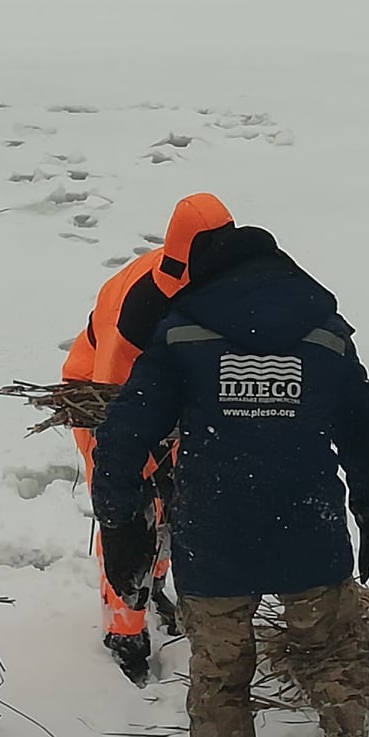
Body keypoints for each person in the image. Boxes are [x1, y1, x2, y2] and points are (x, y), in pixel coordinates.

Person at [91, 221, 369, 737]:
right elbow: (367, 439)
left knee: (219, 668)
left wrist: (118, 519)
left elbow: (122, 436)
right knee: (332, 648)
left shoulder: (181, 335)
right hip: (309, 527)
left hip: (215, 532)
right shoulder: (326, 336)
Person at [62, 193, 236, 685]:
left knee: (173, 504)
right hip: (101, 396)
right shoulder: (137, 309)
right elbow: (122, 413)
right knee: (132, 516)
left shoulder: (214, 279)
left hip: (173, 404)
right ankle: (124, 629)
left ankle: (155, 585)